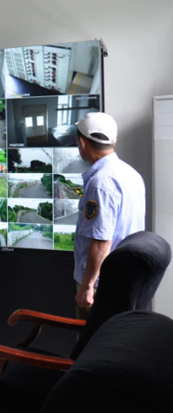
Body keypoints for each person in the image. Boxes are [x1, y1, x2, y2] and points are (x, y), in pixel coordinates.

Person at [73, 112, 145, 318]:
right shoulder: (131, 173)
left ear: (82, 143)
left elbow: (101, 241)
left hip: (100, 285)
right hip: (124, 278)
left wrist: (87, 286)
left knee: (91, 337)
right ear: (114, 141)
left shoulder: (100, 183)